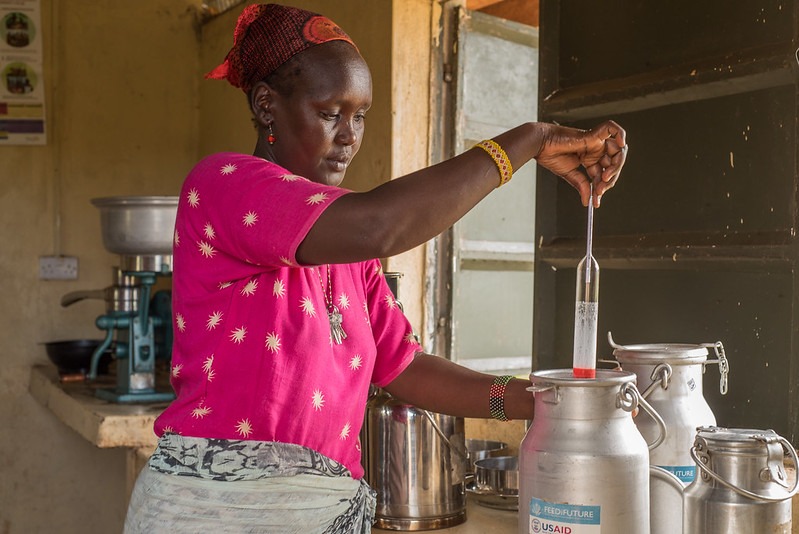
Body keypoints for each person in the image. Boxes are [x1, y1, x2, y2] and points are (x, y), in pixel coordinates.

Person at [124, 3, 627, 533]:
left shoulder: (350, 250)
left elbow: (402, 367)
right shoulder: (223, 185)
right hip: (215, 515)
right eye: (329, 113)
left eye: (359, 116)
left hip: (324, 513)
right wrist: (529, 141)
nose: (349, 136)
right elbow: (381, 224)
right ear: (267, 106)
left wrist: (542, 400)